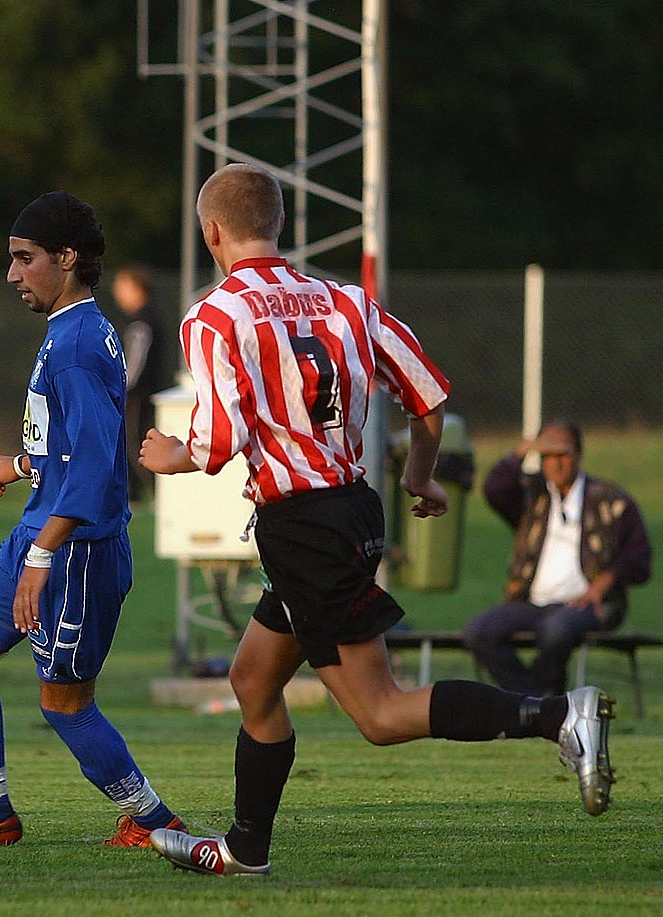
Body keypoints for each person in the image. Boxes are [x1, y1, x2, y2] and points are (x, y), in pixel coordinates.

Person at [138, 163, 617, 878]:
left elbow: (213, 442)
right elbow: (426, 400)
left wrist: (167, 455)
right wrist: (417, 476)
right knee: (252, 680)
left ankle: (555, 718)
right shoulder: (346, 302)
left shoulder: (214, 313)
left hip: (302, 524)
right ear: (279, 225)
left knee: (380, 714)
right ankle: (244, 848)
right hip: (347, 509)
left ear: (210, 231)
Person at [0, 191, 185, 848]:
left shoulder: (76, 344)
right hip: (39, 531)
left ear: (66, 258)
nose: (13, 274)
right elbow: (70, 444)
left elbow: (100, 467)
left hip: (76, 552)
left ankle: (155, 821)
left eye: (25, 258)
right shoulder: (72, 329)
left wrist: (41, 557)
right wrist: (19, 464)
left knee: (64, 704)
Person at [463, 422, 651, 696]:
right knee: (478, 631)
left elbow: (639, 556)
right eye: (547, 455)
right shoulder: (532, 499)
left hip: (586, 603)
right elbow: (495, 488)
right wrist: (523, 449)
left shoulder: (610, 500)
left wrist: (603, 583)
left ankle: (539, 701)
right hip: (531, 601)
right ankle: (535, 700)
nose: (555, 463)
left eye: (562, 454)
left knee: (555, 630)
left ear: (579, 455)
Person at [111, 265, 174, 501]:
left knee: (136, 443)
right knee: (134, 442)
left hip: (137, 393)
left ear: (137, 289)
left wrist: (121, 387)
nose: (118, 292)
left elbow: (135, 363)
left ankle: (154, 494)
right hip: (143, 391)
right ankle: (135, 494)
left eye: (123, 286)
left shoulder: (141, 322)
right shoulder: (143, 318)